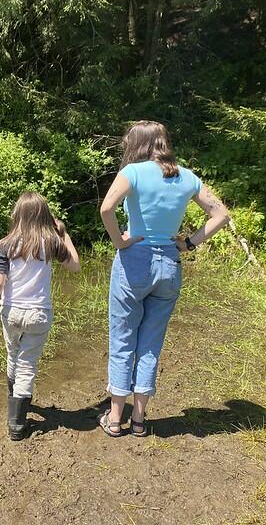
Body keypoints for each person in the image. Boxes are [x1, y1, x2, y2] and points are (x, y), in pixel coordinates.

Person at [98, 120, 230, 437]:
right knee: (150, 342)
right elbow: (221, 215)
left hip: (135, 262)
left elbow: (106, 209)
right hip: (169, 264)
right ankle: (140, 420)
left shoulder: (132, 173)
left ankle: (115, 419)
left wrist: (120, 242)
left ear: (138, 145)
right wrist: (188, 243)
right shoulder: (187, 177)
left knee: (122, 339)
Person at [0, 191, 81, 441]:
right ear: (44, 215)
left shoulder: (5, 244)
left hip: (10, 312)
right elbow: (75, 265)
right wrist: (63, 235)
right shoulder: (52, 243)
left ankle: (16, 402)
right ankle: (18, 424)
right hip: (39, 314)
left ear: (18, 215)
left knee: (13, 355)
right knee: (27, 364)